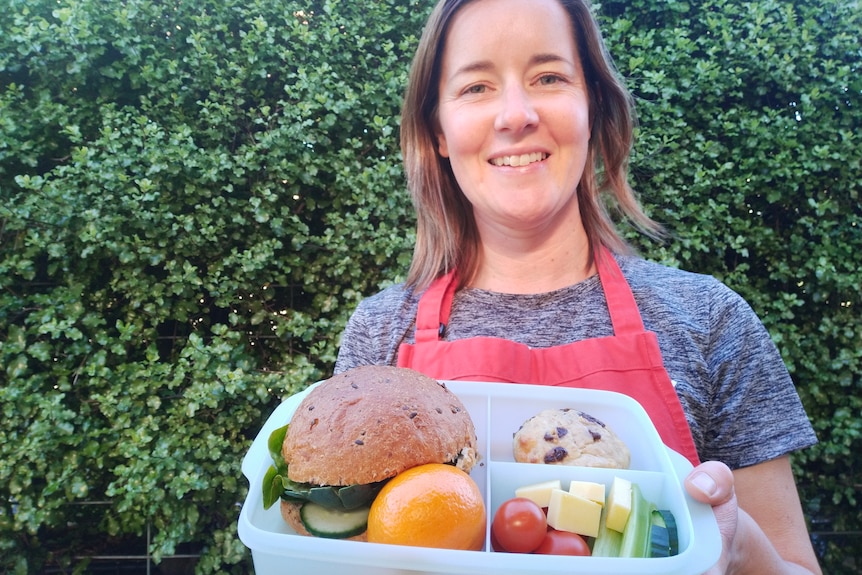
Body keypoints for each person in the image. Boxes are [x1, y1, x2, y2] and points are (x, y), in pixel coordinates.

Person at [334, 0, 822, 572]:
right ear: (438, 131)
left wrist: (738, 549)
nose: (515, 115)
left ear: (593, 107)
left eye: (548, 77)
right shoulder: (380, 334)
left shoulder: (709, 319)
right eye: (476, 87)